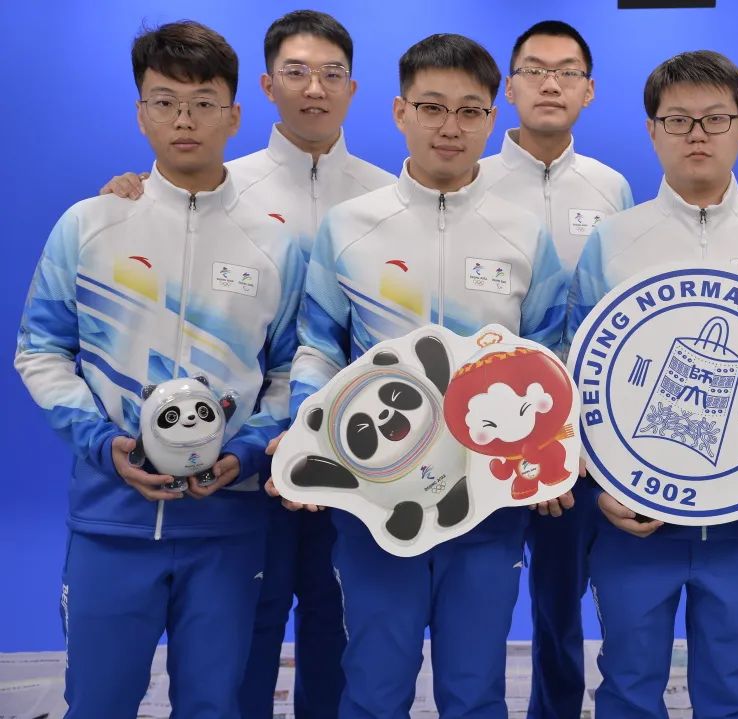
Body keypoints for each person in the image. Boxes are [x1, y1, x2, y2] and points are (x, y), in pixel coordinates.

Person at [99, 12, 394, 717]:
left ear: (352, 87)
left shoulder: (387, 196)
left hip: (359, 459)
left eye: (330, 73)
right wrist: (129, 197)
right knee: (246, 631)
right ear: (264, 86)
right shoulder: (220, 186)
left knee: (339, 621)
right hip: (246, 458)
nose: (313, 88)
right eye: (296, 72)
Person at [14, 21, 303, 717]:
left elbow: (291, 370)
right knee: (99, 702)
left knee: (216, 705)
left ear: (234, 115)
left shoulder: (276, 244)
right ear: (141, 112)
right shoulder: (88, 225)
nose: (184, 119)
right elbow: (40, 349)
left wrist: (244, 453)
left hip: (228, 527)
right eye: (165, 101)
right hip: (110, 522)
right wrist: (100, 443)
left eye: (203, 103)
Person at [280, 33, 566, 719]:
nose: (450, 127)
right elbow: (317, 347)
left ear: (492, 119)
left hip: (489, 502)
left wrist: (550, 453)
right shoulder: (349, 227)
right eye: (432, 107)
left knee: (475, 690)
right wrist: (304, 436)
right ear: (400, 111)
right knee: (374, 688)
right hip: (375, 502)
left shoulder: (524, 233)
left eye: (470, 111)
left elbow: (550, 357)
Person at [567, 50, 738, 718]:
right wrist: (598, 484)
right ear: (651, 129)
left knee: (734, 687)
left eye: (715, 118)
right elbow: (575, 379)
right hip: (635, 522)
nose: (697, 134)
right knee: (628, 683)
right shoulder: (612, 241)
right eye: (678, 119)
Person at [477, 19, 631, 719]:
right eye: (534, 70)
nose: (550, 83)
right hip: (490, 429)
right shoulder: (472, 179)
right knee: (480, 596)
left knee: (564, 598)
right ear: (509, 88)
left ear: (589, 91)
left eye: (567, 72)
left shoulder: (611, 189)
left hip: (586, 435)